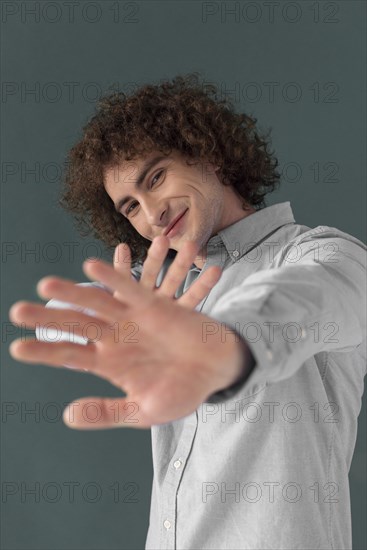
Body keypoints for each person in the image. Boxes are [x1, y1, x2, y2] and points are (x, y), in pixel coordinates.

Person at [9, 73, 366, 550]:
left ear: (210, 154)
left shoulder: (319, 255)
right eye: (130, 206)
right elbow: (58, 314)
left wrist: (217, 347)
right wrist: (118, 319)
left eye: (156, 178)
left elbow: (305, 300)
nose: (151, 214)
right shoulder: (156, 291)